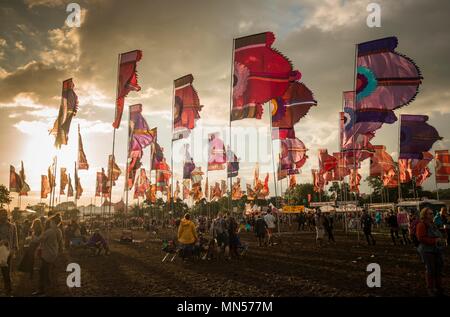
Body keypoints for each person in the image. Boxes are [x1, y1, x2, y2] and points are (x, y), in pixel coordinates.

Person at [416, 208, 445, 296]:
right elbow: (421, 238)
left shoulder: (432, 224)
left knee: (438, 269)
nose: (432, 215)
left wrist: (441, 239)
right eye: (430, 214)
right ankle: (430, 289)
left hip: (436, 250)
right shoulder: (421, 225)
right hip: (427, 251)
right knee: (430, 270)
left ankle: (438, 287)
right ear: (424, 215)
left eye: (432, 213)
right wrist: (435, 240)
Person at [33, 215, 64, 296]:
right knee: (45, 271)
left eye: (50, 221)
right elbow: (59, 242)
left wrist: (33, 235)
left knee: (43, 272)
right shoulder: (59, 231)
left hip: (47, 254)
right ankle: (46, 288)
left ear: (52, 222)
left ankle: (44, 290)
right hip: (54, 253)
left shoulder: (49, 231)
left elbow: (38, 240)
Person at [0, 209, 18, 296]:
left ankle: (8, 290)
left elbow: (15, 239)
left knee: (6, 272)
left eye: (5, 214)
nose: (3, 216)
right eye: (1, 214)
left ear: (7, 215)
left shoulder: (12, 226)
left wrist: (14, 249)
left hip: (8, 253)